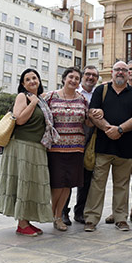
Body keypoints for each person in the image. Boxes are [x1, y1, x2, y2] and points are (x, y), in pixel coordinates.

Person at [0, 68, 58, 237]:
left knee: (31, 183)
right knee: (23, 182)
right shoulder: (23, 97)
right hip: (22, 146)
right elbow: (19, 119)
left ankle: (26, 220)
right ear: (22, 84)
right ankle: (21, 223)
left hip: (36, 146)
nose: (31, 81)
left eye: (34, 78)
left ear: (39, 81)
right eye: (27, 79)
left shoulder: (41, 100)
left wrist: (37, 101)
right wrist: (33, 103)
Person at [83, 61, 132, 232]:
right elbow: (92, 113)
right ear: (112, 72)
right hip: (102, 146)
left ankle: (120, 218)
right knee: (97, 184)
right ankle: (91, 219)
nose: (120, 73)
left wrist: (120, 129)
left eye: (124, 70)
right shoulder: (101, 90)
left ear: (127, 74)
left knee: (122, 185)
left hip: (126, 147)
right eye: (117, 70)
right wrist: (107, 128)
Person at [44, 67, 91, 231]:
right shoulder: (50, 96)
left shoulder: (83, 100)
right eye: (71, 77)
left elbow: (88, 122)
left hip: (76, 148)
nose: (74, 80)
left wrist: (96, 115)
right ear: (64, 78)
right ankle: (54, 214)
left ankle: (57, 217)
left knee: (68, 184)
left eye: (77, 78)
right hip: (55, 148)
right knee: (57, 183)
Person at [104, 59, 132, 226]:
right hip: (122, 138)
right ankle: (117, 211)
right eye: (130, 69)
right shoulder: (112, 86)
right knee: (121, 177)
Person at [62, 65, 100, 225]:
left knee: (86, 178)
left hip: (91, 141)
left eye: (94, 75)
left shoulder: (99, 94)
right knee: (67, 178)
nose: (91, 78)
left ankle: (80, 212)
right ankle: (63, 212)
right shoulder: (73, 93)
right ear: (82, 77)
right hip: (71, 140)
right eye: (88, 75)